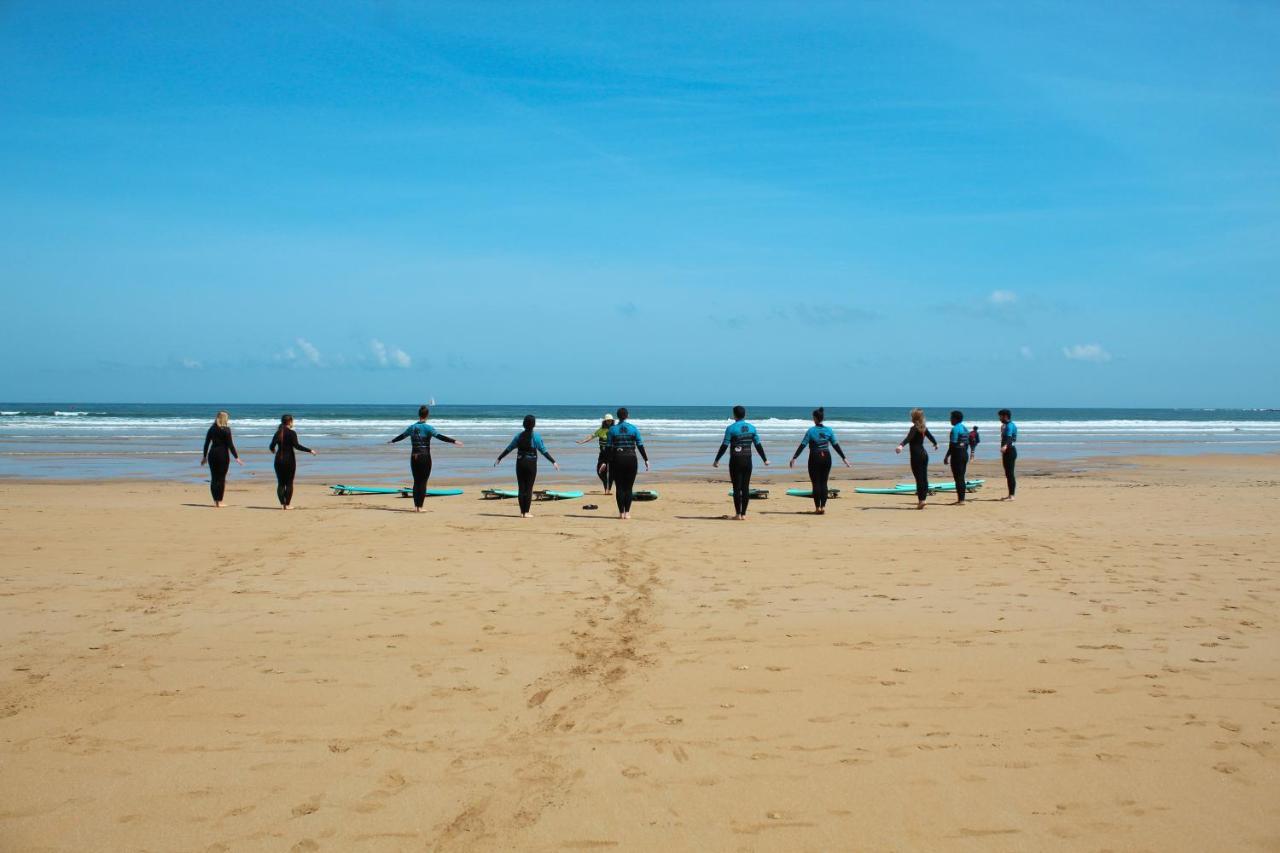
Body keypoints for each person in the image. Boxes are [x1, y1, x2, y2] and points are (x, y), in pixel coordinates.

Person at [388, 405, 464, 512]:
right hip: (424, 457)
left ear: (419, 415)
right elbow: (440, 437)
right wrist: (454, 441)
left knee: (416, 481)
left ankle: (416, 507)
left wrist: (392, 441)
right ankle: (421, 507)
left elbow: (402, 436)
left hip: (414, 457)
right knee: (423, 482)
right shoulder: (428, 428)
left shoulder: (412, 427)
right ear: (427, 415)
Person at [496, 414, 560, 517]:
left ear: (524, 424)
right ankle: (527, 512)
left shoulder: (518, 436)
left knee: (521, 488)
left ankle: (522, 512)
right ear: (534, 425)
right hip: (531, 465)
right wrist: (553, 462)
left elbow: (509, 448)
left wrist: (499, 458)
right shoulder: (536, 437)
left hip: (520, 463)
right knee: (529, 488)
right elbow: (544, 451)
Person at [713, 405, 769, 520]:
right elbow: (758, 445)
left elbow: (724, 445)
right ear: (744, 415)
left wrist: (717, 460)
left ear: (734, 415)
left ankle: (738, 514)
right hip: (748, 460)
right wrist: (765, 459)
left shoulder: (731, 428)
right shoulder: (752, 428)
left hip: (735, 461)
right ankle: (744, 514)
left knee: (736, 488)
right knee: (745, 488)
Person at [789, 407, 849, 514]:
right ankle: (823, 507)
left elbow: (803, 445)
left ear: (815, 418)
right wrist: (844, 458)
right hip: (826, 457)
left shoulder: (811, 431)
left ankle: (817, 508)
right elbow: (836, 445)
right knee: (824, 482)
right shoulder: (829, 430)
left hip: (815, 457)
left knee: (816, 483)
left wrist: (794, 457)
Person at [599, 407, 648, 519]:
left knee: (620, 487)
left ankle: (621, 513)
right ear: (627, 415)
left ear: (617, 416)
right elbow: (640, 445)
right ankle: (627, 513)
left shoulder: (612, 430)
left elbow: (608, 448)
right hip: (631, 459)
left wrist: (605, 462)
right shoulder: (634, 429)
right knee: (629, 487)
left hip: (617, 459)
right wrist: (646, 459)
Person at [269, 414, 316, 510]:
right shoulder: (292, 433)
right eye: (292, 421)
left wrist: (273, 450)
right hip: (289, 460)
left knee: (281, 483)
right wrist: (310, 450)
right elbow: (297, 446)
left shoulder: (278, 432)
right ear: (290, 421)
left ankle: (282, 505)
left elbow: (271, 446)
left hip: (278, 460)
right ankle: (288, 505)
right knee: (289, 483)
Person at [895, 408, 939, 510]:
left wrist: (901, 446)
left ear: (913, 418)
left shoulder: (914, 428)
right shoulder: (924, 428)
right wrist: (935, 444)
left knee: (919, 479)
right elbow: (932, 438)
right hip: (924, 455)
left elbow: (908, 438)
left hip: (916, 456)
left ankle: (921, 501)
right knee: (924, 478)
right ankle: (924, 499)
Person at [200, 410, 243, 507]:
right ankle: (220, 501)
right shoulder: (227, 430)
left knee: (214, 478)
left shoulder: (211, 429)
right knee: (221, 479)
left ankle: (215, 501)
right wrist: (236, 457)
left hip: (213, 454)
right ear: (225, 418)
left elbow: (206, 443)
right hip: (223, 455)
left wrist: (204, 457)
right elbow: (230, 445)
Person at [576, 413, 615, 493]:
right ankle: (606, 486)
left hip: (611, 454)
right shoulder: (601, 430)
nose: (609, 422)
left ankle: (608, 490)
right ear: (605, 421)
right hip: (602, 453)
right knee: (599, 471)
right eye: (608, 421)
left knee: (611, 472)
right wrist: (582, 441)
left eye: (610, 421)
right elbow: (592, 436)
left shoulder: (614, 429)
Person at [942, 410, 970, 504]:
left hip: (957, 454)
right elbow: (967, 443)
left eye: (951, 418)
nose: (950, 419)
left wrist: (946, 456)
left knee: (958, 478)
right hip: (964, 454)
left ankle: (961, 500)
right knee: (961, 477)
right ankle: (961, 499)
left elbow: (952, 445)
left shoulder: (955, 429)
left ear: (955, 419)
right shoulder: (965, 428)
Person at [998, 408, 1018, 500]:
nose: (999, 418)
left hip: (1010, 451)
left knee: (1010, 474)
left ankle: (1012, 495)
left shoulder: (1010, 425)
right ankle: (1010, 494)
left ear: (1005, 416)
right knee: (1008, 474)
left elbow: (1009, 438)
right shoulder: (1006, 426)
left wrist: (1005, 446)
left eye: (1000, 416)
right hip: (1008, 451)